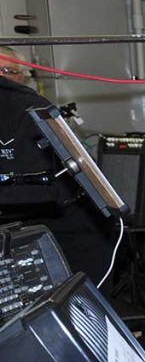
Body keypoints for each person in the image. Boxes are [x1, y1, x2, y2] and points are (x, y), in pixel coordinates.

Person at [0, 45, 114, 286]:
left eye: (7, 71)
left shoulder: (33, 110)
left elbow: (48, 187)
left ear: (23, 77)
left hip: (64, 224)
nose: (2, 79)